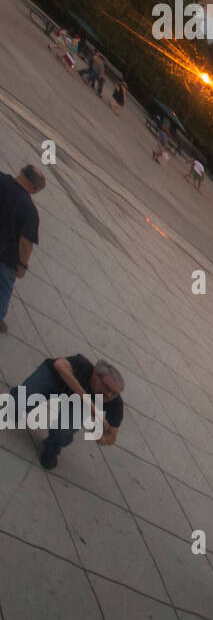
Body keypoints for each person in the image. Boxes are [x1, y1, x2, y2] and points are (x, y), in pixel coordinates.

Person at [7, 354, 125, 470]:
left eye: (114, 393)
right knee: (20, 401)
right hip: (54, 379)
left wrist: (103, 439)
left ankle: (51, 449)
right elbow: (59, 365)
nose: (109, 395)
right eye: (107, 387)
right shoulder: (82, 364)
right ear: (95, 375)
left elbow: (112, 435)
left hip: (77, 404)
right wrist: (91, 405)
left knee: (63, 433)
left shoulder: (116, 403)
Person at [0, 164, 45, 335]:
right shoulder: (29, 210)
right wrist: (22, 265)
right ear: (34, 188)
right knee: (3, 288)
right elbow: (26, 243)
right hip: (5, 256)